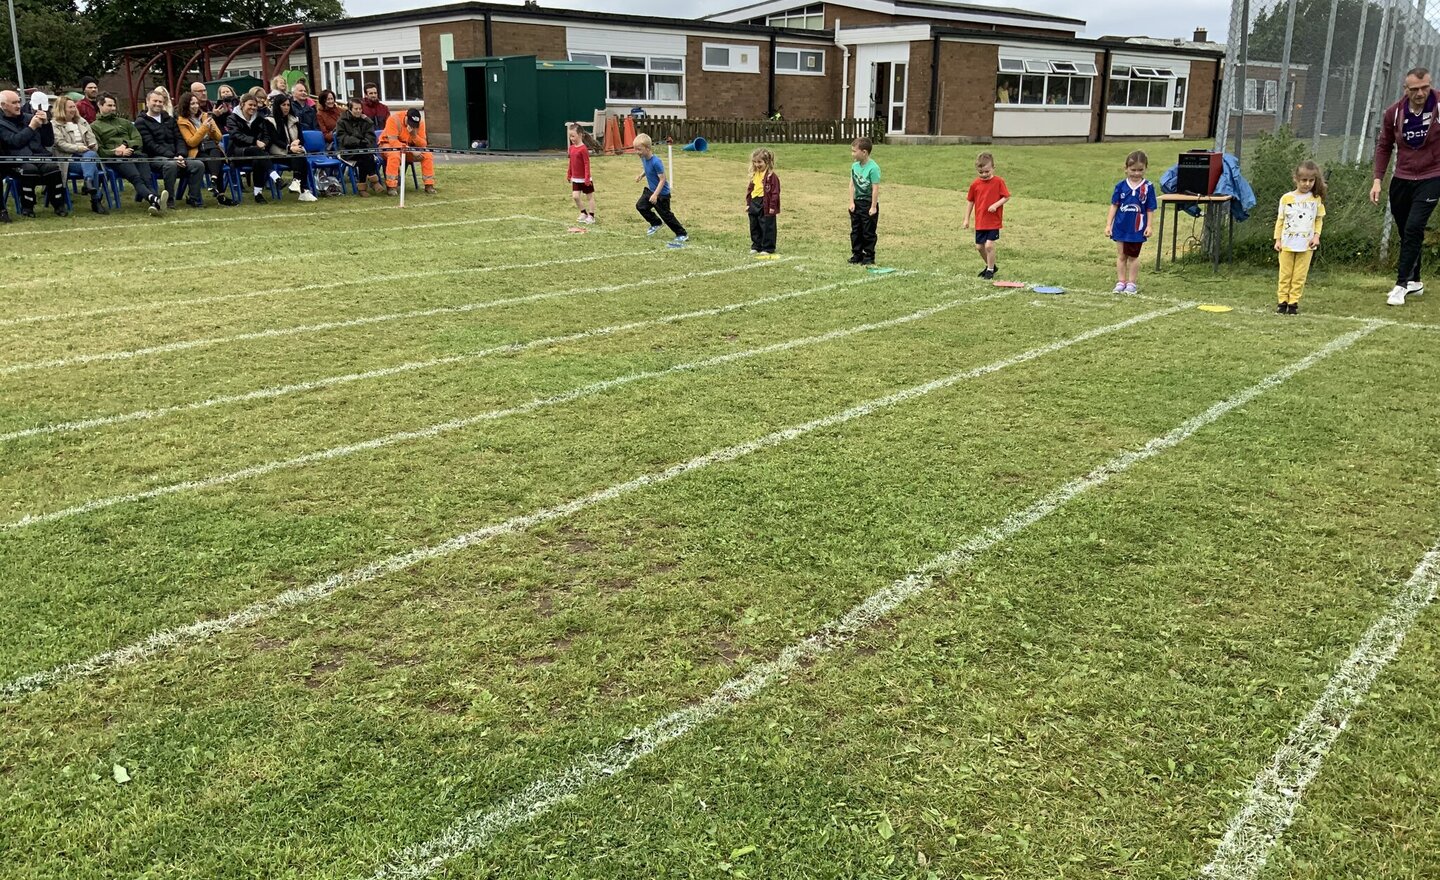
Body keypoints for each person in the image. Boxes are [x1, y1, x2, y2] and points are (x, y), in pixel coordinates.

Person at [1371, 66, 1440, 306]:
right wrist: (1378, 180)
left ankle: (1401, 285)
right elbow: (1384, 146)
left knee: (1413, 227)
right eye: (1415, 89)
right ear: (1406, 89)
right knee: (1406, 231)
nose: (1421, 93)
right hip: (1402, 178)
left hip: (1432, 176)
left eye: (1425, 87)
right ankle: (1416, 281)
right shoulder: (1394, 113)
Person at [91, 93, 165, 215]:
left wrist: (125, 145)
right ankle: (155, 199)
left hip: (136, 154)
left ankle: (154, 201)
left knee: (147, 178)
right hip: (116, 159)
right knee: (136, 178)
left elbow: (138, 139)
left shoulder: (125, 122)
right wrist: (116, 152)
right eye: (109, 105)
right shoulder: (94, 127)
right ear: (100, 105)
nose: (113, 108)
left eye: (114, 105)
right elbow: (100, 150)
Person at [0, 89, 68, 219]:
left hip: (40, 156)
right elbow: (15, 142)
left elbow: (48, 142)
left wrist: (47, 124)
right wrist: (31, 128)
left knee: (52, 168)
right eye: (13, 103)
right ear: (3, 106)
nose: (18, 105)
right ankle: (27, 206)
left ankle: (59, 205)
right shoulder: (1, 124)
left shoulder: (30, 118)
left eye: (19, 102)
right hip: (16, 160)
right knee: (29, 169)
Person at [135, 88, 205, 207]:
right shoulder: (141, 122)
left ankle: (193, 198)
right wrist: (173, 157)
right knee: (171, 165)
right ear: (147, 102)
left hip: (177, 157)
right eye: (155, 101)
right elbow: (150, 145)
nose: (158, 104)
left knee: (198, 164)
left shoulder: (170, 120)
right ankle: (169, 200)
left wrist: (181, 155)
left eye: (160, 102)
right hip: (155, 159)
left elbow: (179, 139)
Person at [1274, 160, 1327, 316]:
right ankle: (1282, 302)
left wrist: (1316, 237)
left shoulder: (1316, 200)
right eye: (1304, 180)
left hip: (1306, 245)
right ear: (1296, 179)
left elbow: (1319, 219)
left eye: (1311, 180)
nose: (1307, 184)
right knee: (1285, 274)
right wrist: (1278, 239)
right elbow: (1280, 220)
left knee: (1299, 275)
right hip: (1287, 244)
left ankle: (1293, 303)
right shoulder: (1286, 199)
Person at [1105, 150, 1156, 294]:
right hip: (1121, 226)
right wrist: (1109, 224)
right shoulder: (1120, 186)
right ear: (1126, 169)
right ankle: (1121, 281)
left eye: (1140, 170)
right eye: (1133, 170)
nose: (1136, 173)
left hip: (1137, 228)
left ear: (1146, 168)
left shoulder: (1148, 187)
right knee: (1122, 255)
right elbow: (1114, 205)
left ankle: (1131, 283)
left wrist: (1149, 225)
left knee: (1133, 256)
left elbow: (1150, 208)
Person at [176, 91, 237, 206]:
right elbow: (191, 142)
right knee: (212, 159)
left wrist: (213, 130)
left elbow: (218, 138)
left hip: (211, 146)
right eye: (192, 104)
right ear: (185, 106)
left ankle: (214, 181)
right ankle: (220, 195)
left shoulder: (205, 116)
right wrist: (204, 128)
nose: (195, 106)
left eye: (196, 103)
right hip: (197, 150)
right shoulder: (182, 121)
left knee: (216, 152)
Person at [50, 94, 108, 214]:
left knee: (90, 156)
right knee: (93, 167)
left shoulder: (82, 122)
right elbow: (60, 144)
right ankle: (95, 200)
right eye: (70, 107)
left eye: (74, 107)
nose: (73, 109)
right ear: (61, 109)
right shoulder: (54, 124)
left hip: (87, 155)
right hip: (68, 159)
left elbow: (93, 141)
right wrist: (78, 148)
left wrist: (91, 147)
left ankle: (88, 181)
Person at [632, 132, 687, 245]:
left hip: (662, 194)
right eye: (635, 149)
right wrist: (641, 176)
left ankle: (682, 234)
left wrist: (655, 195)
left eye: (639, 149)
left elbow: (662, 179)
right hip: (652, 191)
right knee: (641, 206)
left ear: (647, 148)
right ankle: (656, 223)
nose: (637, 152)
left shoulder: (656, 162)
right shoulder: (643, 158)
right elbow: (647, 169)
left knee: (666, 216)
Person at [223, 93, 276, 203]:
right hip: (237, 153)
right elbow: (236, 136)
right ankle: (275, 176)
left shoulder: (260, 119)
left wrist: (264, 143)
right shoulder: (232, 118)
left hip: (255, 153)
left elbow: (266, 135)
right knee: (257, 151)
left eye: (255, 105)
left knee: (259, 159)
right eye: (250, 105)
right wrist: (255, 142)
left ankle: (258, 193)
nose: (253, 107)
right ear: (242, 104)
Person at [962, 151, 1008, 278]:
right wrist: (966, 219)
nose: (984, 175)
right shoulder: (975, 184)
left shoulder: (999, 181)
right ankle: (991, 265)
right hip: (980, 221)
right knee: (979, 247)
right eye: (980, 172)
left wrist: (995, 205)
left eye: (987, 172)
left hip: (993, 221)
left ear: (993, 168)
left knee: (989, 245)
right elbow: (970, 201)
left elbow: (1006, 197)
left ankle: (990, 270)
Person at [268, 95, 318, 201]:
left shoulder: (294, 120)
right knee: (300, 157)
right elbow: (274, 140)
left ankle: (297, 182)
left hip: (293, 152)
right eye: (283, 105)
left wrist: (297, 143)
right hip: (277, 152)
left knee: (300, 156)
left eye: (288, 105)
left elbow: (301, 138)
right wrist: (290, 147)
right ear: (277, 106)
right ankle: (303, 189)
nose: (286, 107)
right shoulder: (269, 121)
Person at [336, 96, 385, 195]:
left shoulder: (366, 121)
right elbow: (343, 138)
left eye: (360, 109)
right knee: (366, 156)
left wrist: (364, 142)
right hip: (348, 151)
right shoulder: (342, 121)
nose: (358, 111)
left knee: (365, 156)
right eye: (356, 109)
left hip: (364, 151)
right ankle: (373, 181)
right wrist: (358, 142)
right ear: (350, 109)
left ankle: (362, 188)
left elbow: (371, 137)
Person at [380, 107, 435, 194]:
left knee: (427, 155)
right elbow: (393, 142)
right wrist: (411, 150)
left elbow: (423, 144)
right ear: (406, 116)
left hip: (408, 148)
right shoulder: (393, 119)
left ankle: (429, 185)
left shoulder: (421, 123)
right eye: (410, 123)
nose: (412, 126)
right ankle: (391, 186)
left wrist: (414, 135)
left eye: (414, 125)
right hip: (388, 145)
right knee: (394, 155)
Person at [848, 137, 881, 265]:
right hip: (857, 203)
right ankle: (857, 254)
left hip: (868, 204)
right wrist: (851, 202)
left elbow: (875, 189)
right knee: (856, 230)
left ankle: (869, 255)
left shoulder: (873, 168)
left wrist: (873, 207)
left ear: (864, 152)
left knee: (868, 231)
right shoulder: (854, 166)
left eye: (854, 151)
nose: (852, 154)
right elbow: (851, 185)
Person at [745, 146, 780, 256]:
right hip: (754, 203)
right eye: (754, 162)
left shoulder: (771, 177)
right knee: (754, 225)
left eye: (759, 162)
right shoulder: (754, 175)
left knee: (767, 226)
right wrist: (748, 203)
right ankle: (756, 245)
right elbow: (750, 189)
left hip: (766, 204)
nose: (757, 165)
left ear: (767, 162)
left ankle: (768, 247)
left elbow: (775, 193)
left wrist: (772, 206)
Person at [566, 122, 596, 223]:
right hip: (576, 178)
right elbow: (571, 162)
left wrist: (587, 178)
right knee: (575, 196)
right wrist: (569, 174)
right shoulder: (571, 148)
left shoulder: (583, 149)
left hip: (585, 178)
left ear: (579, 135)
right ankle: (583, 212)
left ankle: (591, 216)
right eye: (570, 136)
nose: (571, 138)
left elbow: (587, 164)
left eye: (573, 136)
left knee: (589, 197)